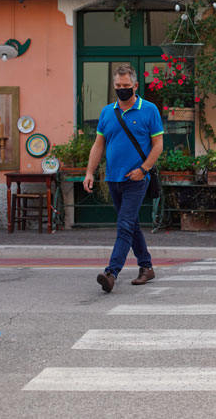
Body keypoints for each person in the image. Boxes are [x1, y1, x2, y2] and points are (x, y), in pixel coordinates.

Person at [84, 64, 164, 293]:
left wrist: (144, 169)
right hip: (113, 177)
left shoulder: (149, 110)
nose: (122, 89)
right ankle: (146, 267)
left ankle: (111, 273)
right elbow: (98, 145)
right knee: (131, 224)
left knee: (125, 225)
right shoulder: (107, 112)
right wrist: (89, 173)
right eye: (118, 86)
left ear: (135, 86)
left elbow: (158, 145)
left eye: (126, 86)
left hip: (137, 179)